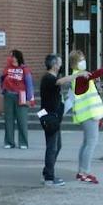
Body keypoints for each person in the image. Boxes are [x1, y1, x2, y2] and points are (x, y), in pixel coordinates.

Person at [66, 49, 103, 183]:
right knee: (90, 144)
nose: (83, 61)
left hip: (86, 114)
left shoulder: (77, 75)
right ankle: (84, 172)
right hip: (89, 114)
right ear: (75, 63)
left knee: (86, 143)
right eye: (81, 60)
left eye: (83, 59)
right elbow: (97, 73)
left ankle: (81, 171)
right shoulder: (80, 75)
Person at [39, 54, 70, 186]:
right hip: (50, 118)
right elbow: (59, 82)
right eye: (59, 63)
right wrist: (76, 75)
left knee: (57, 146)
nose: (60, 65)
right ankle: (49, 178)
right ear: (54, 65)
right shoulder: (48, 77)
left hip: (54, 117)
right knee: (52, 147)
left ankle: (47, 172)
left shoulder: (52, 77)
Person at [0, 49, 34, 150]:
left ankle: (23, 142)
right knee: (8, 119)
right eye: (10, 56)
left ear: (17, 57)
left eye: (12, 56)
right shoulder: (7, 68)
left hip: (21, 95)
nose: (10, 58)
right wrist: (3, 90)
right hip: (8, 95)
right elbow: (1, 79)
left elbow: (29, 84)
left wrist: (29, 98)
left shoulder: (25, 69)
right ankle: (9, 142)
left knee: (22, 120)